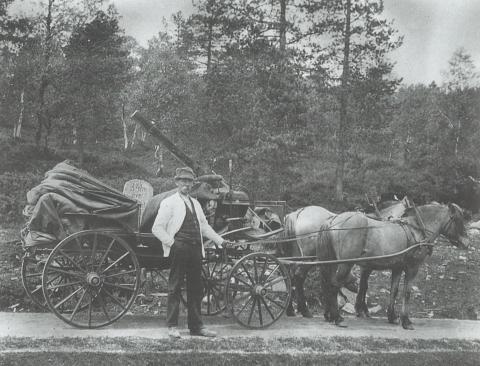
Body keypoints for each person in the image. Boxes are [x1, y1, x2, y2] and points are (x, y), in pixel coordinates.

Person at [152, 167, 229, 338]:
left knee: (196, 288)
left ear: (193, 184)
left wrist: (220, 240)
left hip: (195, 249)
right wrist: (172, 244)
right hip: (179, 249)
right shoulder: (169, 202)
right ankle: (172, 326)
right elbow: (156, 228)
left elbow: (204, 227)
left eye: (189, 181)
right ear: (177, 182)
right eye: (183, 181)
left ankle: (196, 327)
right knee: (175, 286)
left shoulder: (195, 203)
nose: (186, 184)